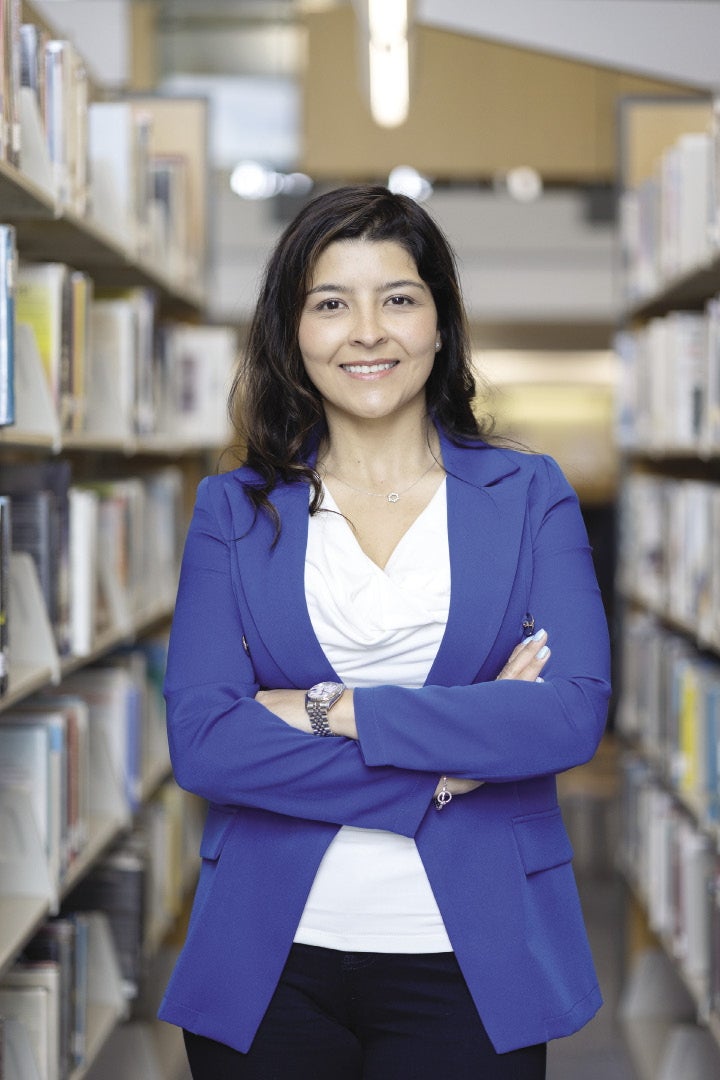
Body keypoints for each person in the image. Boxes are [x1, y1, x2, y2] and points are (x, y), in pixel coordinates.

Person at [158, 184, 611, 1079]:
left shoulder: (528, 495)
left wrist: (330, 708)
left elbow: (567, 718)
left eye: (398, 299)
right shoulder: (233, 510)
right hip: (270, 958)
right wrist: (444, 769)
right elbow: (205, 744)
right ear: (294, 333)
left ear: (440, 324)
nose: (367, 331)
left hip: (475, 954)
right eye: (331, 304)